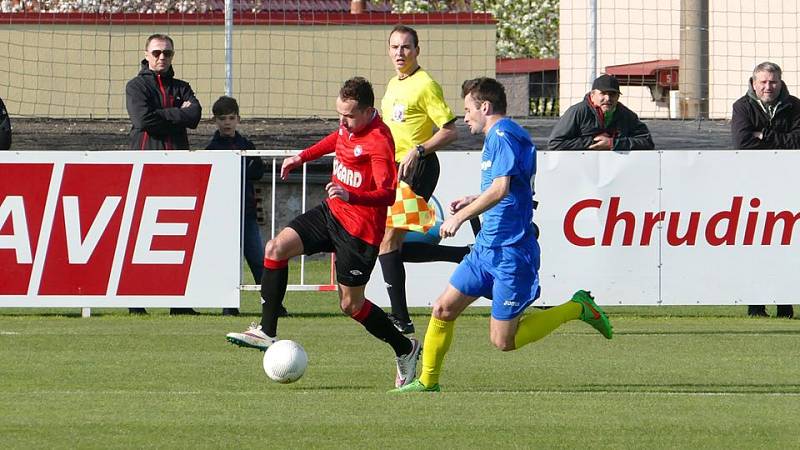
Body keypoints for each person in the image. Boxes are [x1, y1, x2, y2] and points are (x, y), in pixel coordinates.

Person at [392, 77, 613, 393]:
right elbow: (510, 188)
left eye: (468, 109)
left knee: (502, 341)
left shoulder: (504, 136)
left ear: (485, 107)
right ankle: (427, 382)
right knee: (443, 308)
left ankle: (577, 308)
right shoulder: (500, 137)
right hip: (485, 249)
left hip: (511, 252)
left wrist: (460, 217)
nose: (465, 116)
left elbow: (500, 189)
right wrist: (473, 199)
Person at [225, 77, 421, 388]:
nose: (343, 121)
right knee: (275, 248)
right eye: (340, 114)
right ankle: (267, 330)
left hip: (359, 232)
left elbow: (387, 193)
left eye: (349, 115)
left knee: (351, 306)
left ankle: (406, 348)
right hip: (332, 213)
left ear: (370, 111)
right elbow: (336, 139)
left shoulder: (380, 141)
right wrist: (301, 157)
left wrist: (350, 195)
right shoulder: (348, 125)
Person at [379, 24, 466, 335]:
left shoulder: (425, 84)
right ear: (388, 51)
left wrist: (419, 149)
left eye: (406, 47)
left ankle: (400, 318)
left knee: (388, 240)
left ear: (417, 50)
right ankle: (462, 255)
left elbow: (450, 130)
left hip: (419, 169)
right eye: (395, 47)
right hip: (394, 171)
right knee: (392, 247)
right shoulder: (392, 84)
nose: (400, 53)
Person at [125, 33, 202, 315]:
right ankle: (135, 302)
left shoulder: (182, 86)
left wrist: (162, 115)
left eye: (167, 53)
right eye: (157, 52)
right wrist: (175, 113)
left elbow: (195, 116)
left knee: (177, 237)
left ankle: (179, 302)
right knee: (140, 237)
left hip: (178, 171)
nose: (161, 58)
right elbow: (142, 120)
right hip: (145, 169)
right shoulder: (136, 86)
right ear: (146, 54)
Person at [204, 95, 288, 317]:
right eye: (222, 118)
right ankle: (229, 306)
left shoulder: (247, 145)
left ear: (238, 119)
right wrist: (244, 169)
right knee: (228, 261)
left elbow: (258, 170)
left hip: (246, 211)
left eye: (231, 118)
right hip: (223, 213)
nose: (227, 123)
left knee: (257, 259)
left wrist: (240, 170)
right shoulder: (211, 149)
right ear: (215, 121)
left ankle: (272, 305)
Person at [731, 61, 799, 318]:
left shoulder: (795, 106)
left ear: (780, 83)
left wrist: (764, 136)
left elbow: (799, 141)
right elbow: (742, 141)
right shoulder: (742, 106)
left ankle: (785, 305)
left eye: (773, 82)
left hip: (788, 185)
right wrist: (776, 139)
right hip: (753, 186)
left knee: (787, 245)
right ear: (754, 83)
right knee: (755, 245)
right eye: (763, 82)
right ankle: (755, 305)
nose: (768, 86)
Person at [548, 74, 654, 151]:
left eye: (612, 94)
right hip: (580, 171)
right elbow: (555, 143)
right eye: (603, 93)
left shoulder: (627, 115)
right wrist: (593, 142)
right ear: (592, 95)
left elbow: (647, 142)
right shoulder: (577, 112)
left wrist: (613, 143)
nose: (607, 98)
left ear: (618, 96)